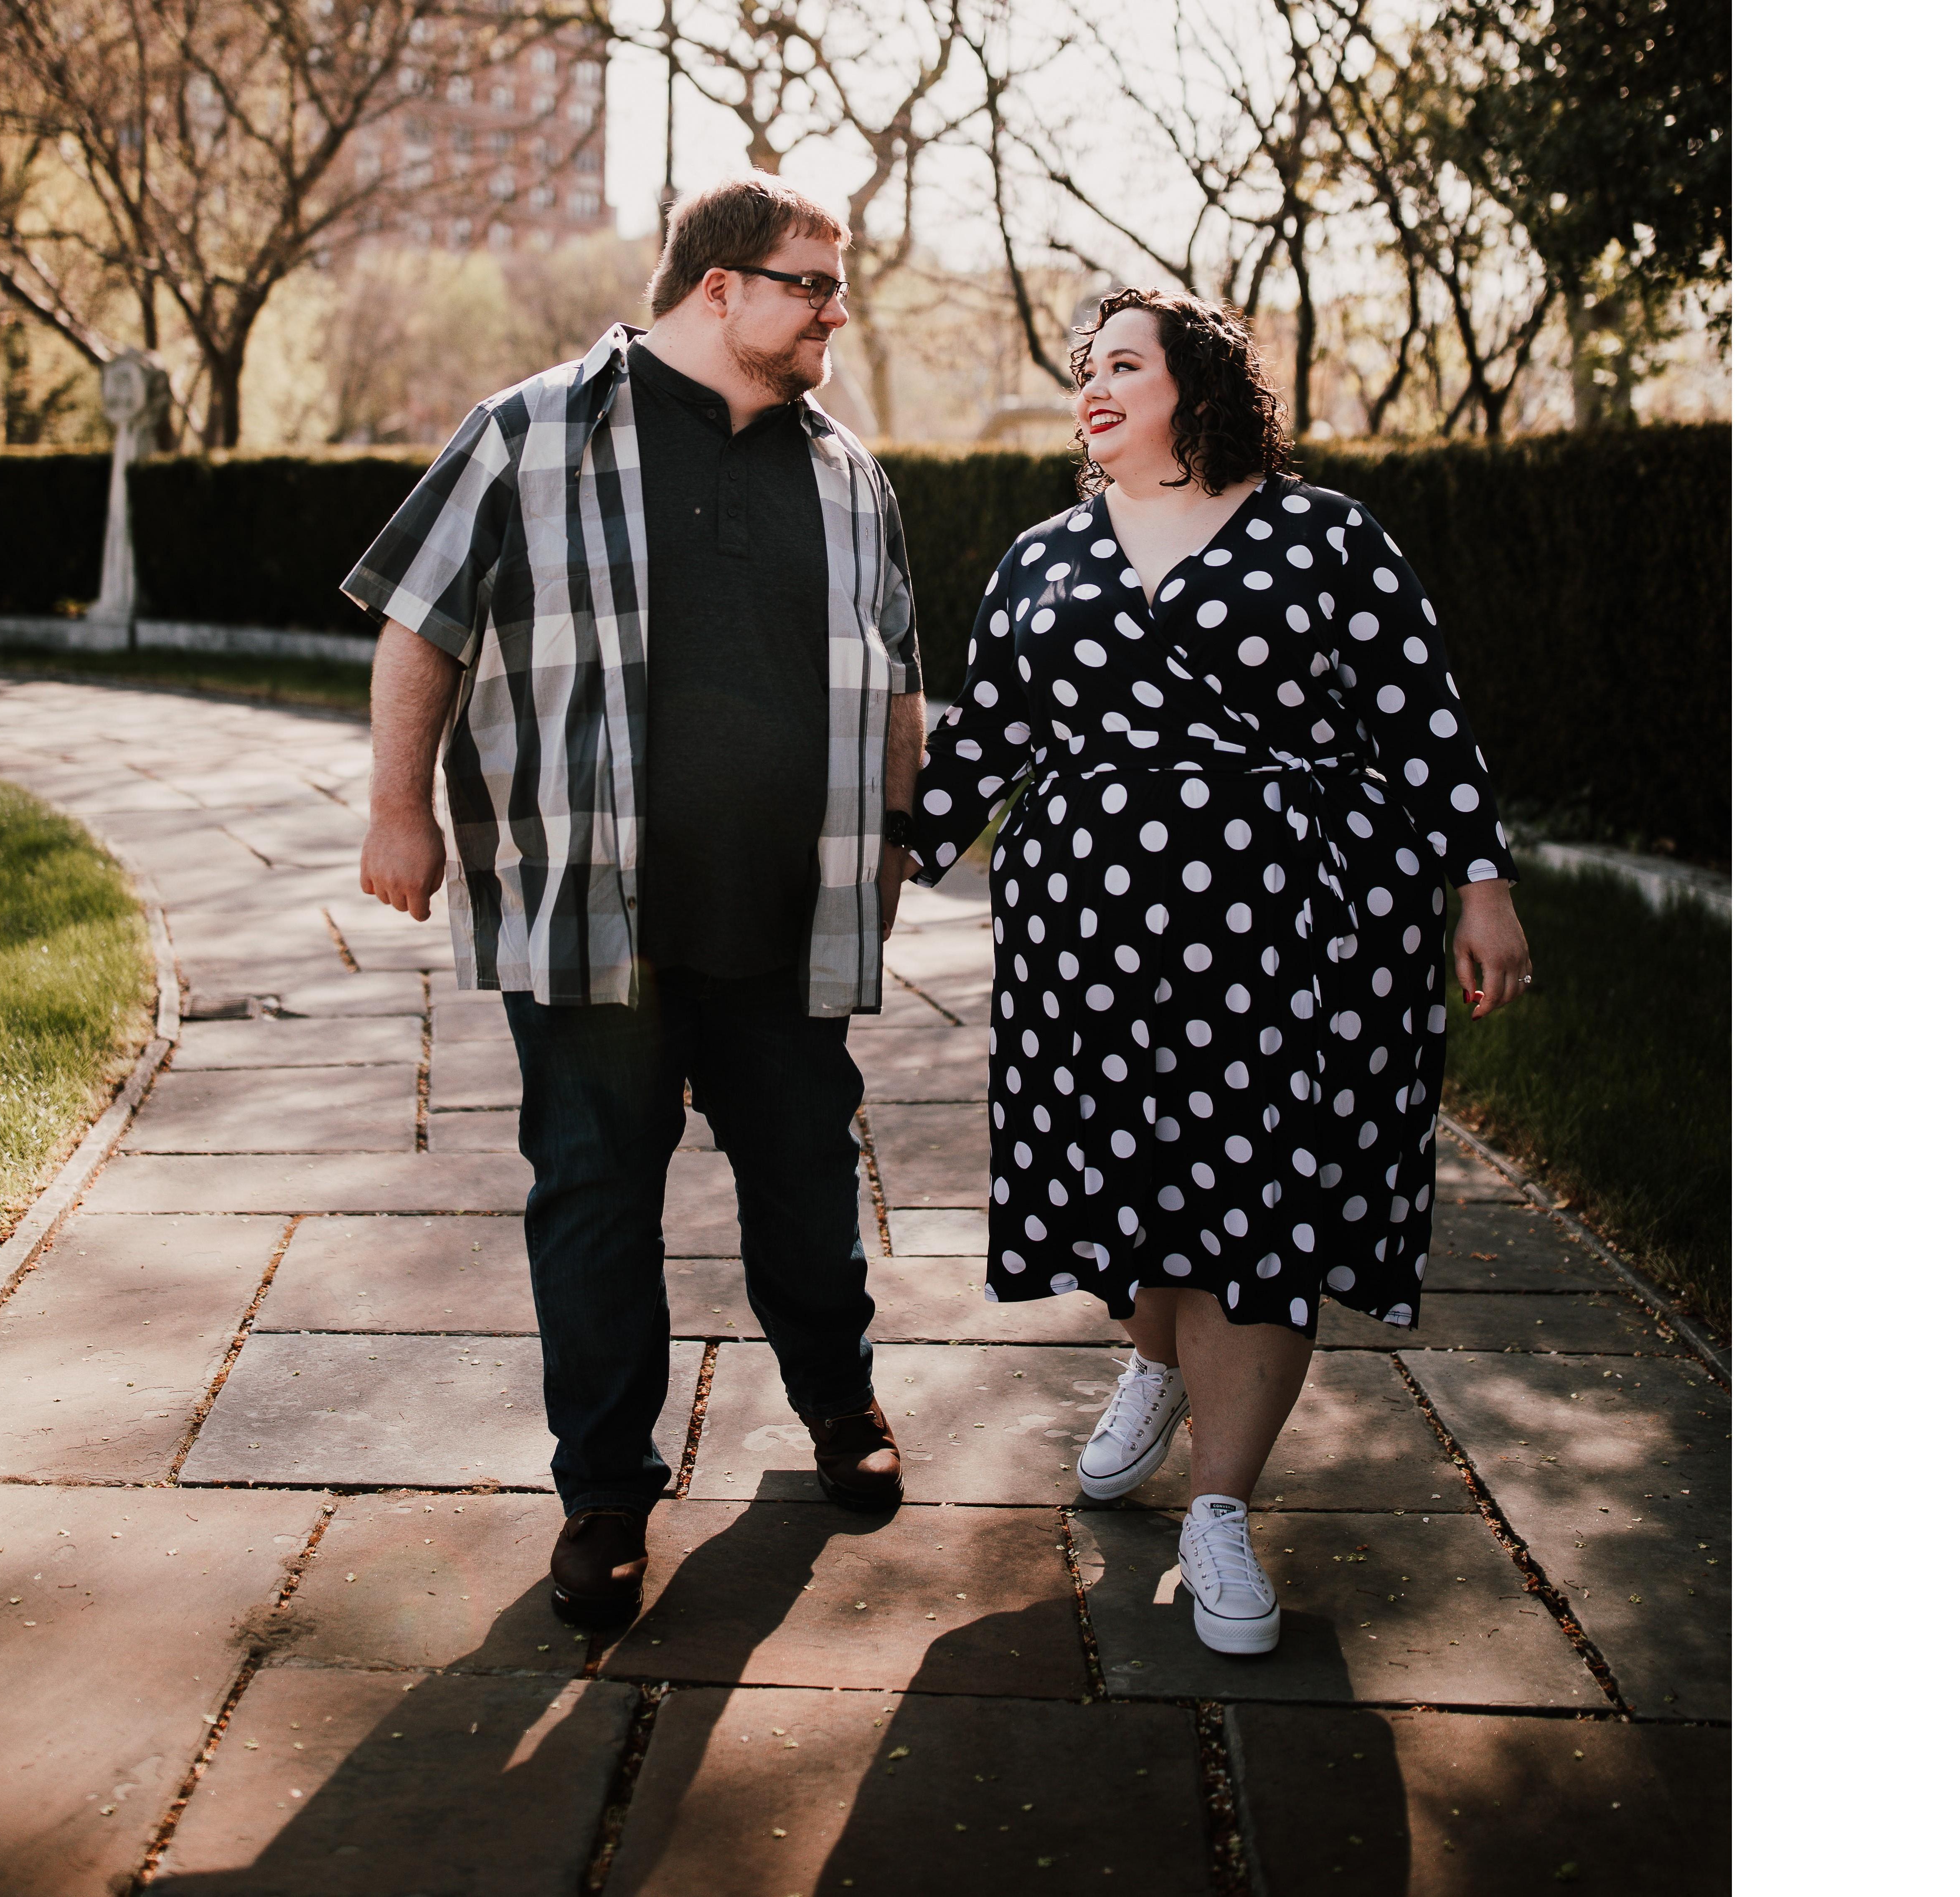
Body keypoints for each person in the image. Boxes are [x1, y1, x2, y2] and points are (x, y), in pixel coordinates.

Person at [906, 287, 1530, 1656]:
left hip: (1296, 927)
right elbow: (969, 754)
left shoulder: (1323, 536)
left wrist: (1476, 884)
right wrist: (849, 871)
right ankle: (1151, 1358)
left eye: (1123, 361)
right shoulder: (1042, 556)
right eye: (1085, 366)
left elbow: (1421, 717)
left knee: (1262, 1195)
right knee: (1137, 1177)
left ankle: (1222, 1509)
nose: (1092, 381)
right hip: (1091, 935)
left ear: (1197, 383)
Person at [344, 175, 924, 1632]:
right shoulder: (531, 430)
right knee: (596, 1197)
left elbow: (899, 668)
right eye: (812, 282)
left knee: (804, 1175)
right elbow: (424, 620)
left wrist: (903, 832)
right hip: (590, 913)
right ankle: (605, 1492)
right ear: (718, 288)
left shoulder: (848, 471)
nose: (834, 309)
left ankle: (839, 1403)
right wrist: (397, 809)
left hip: (793, 915)